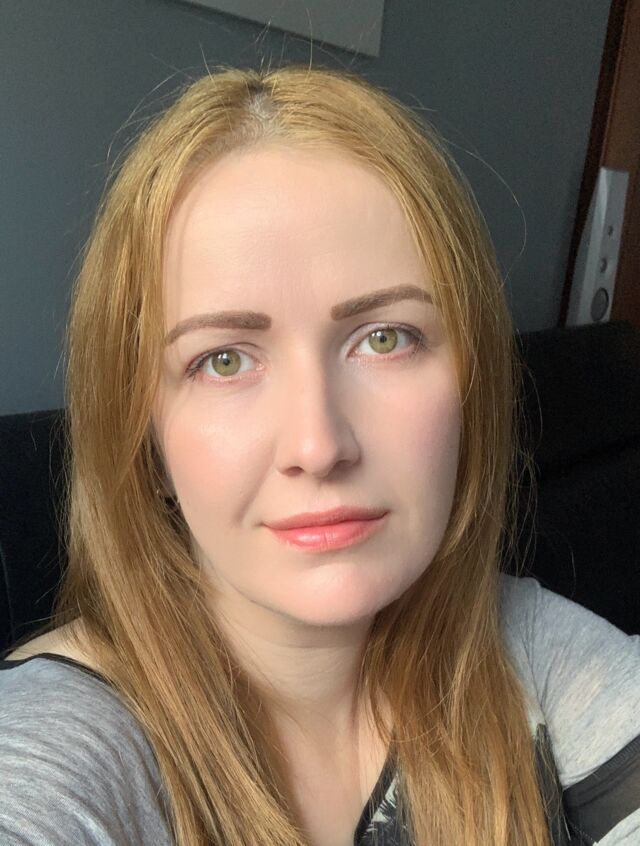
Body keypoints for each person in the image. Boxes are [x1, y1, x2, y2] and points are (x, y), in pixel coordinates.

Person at [1, 63, 639, 846]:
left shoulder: (529, 652)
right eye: (223, 360)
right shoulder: (59, 751)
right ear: (147, 443)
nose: (319, 445)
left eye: (386, 338)